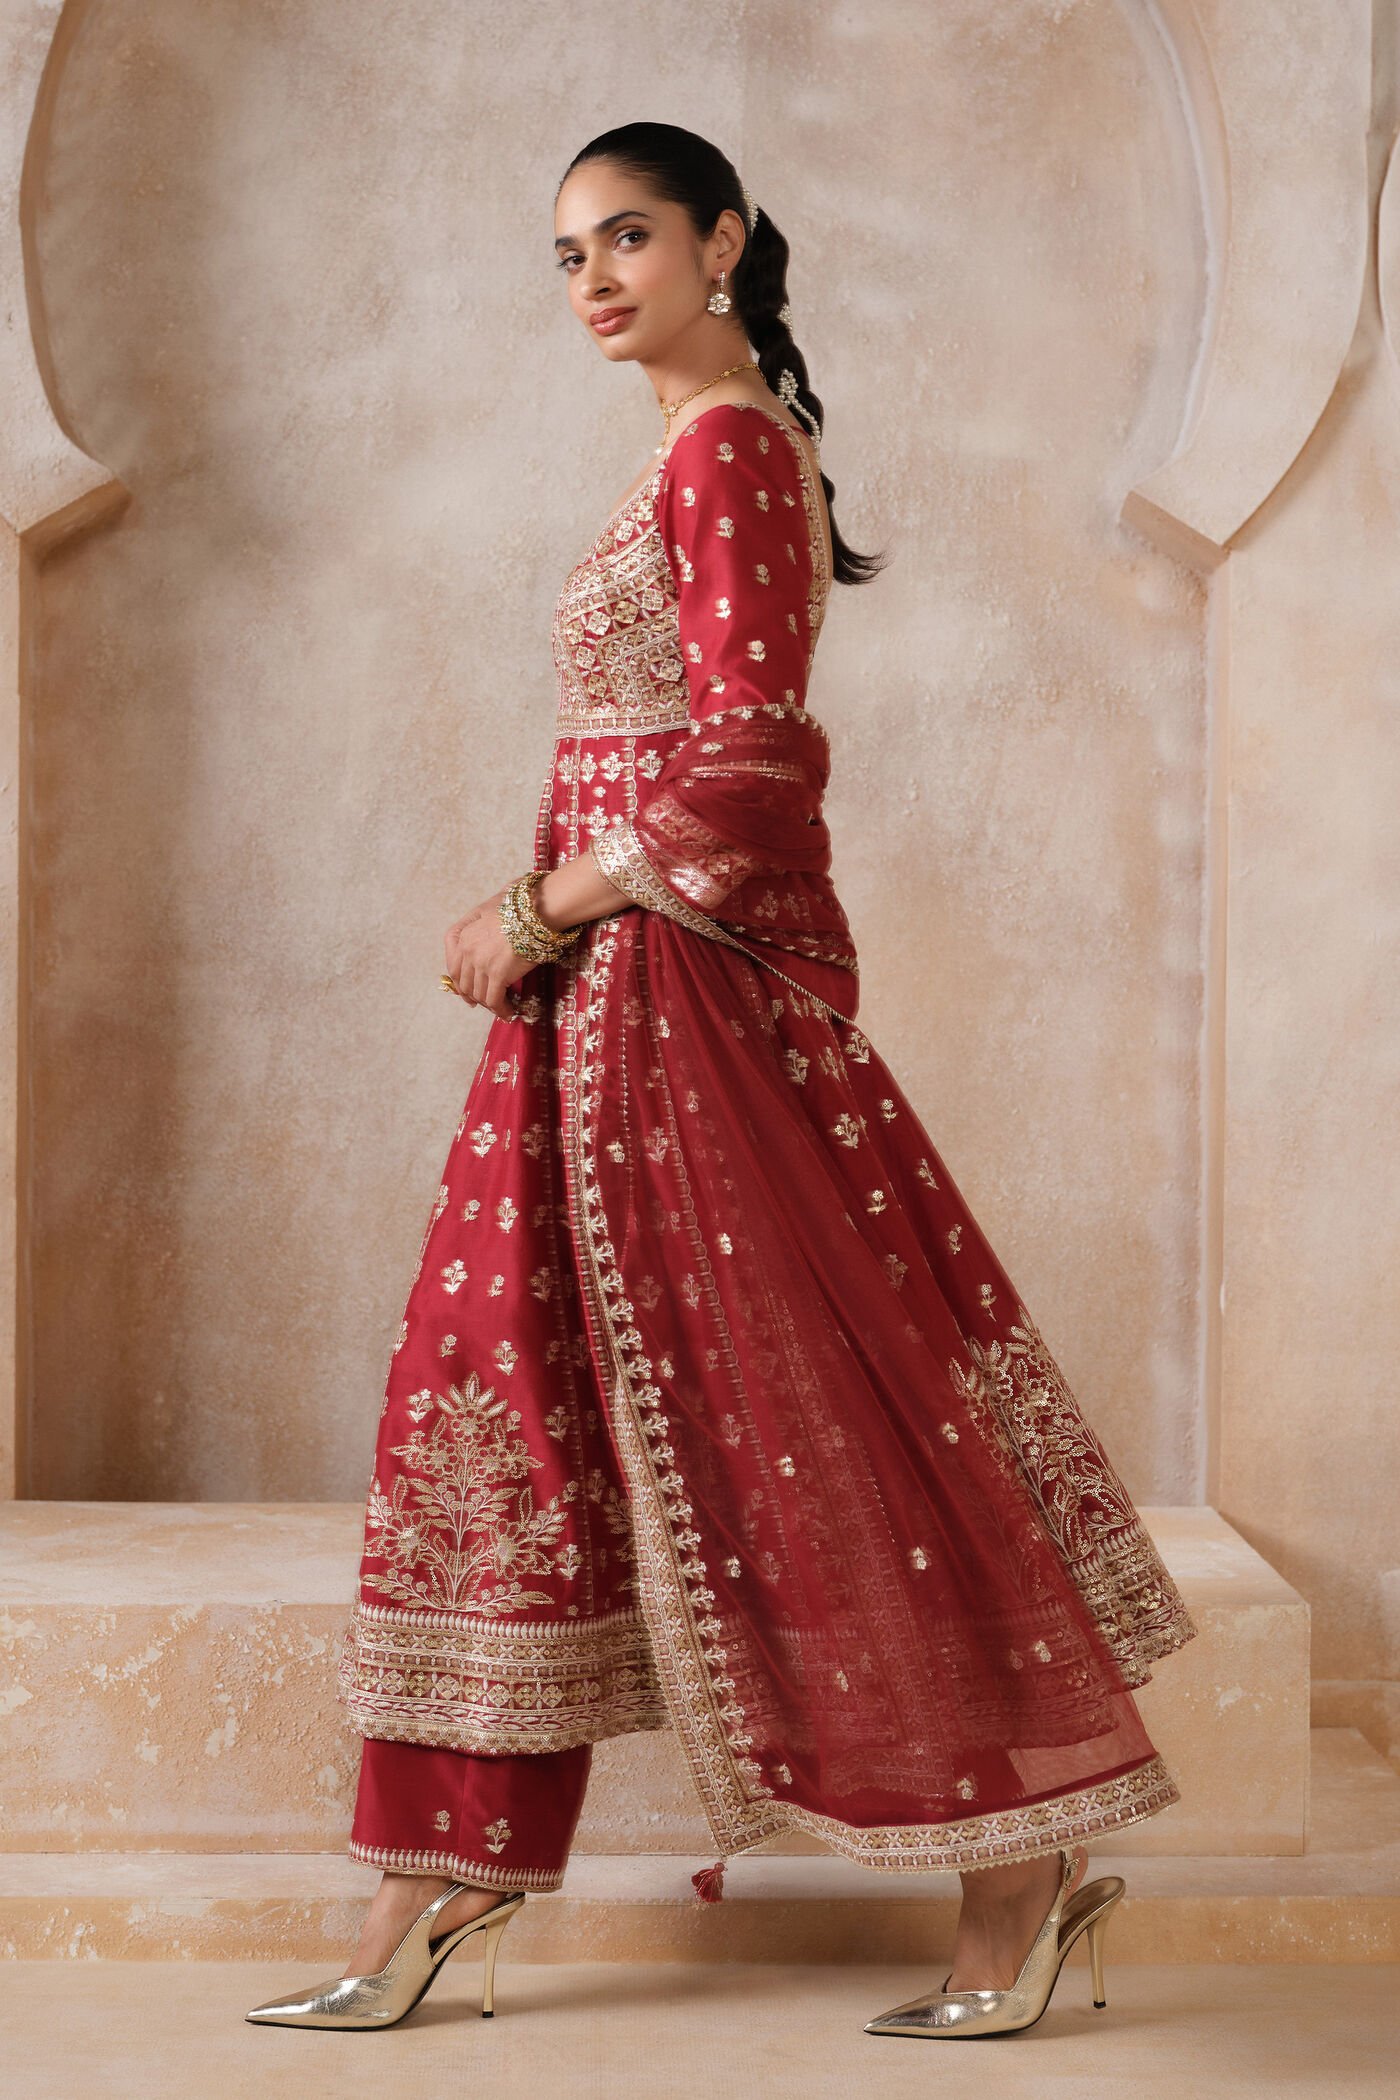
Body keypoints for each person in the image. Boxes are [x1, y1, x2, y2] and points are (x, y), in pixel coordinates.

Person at [247, 121, 1197, 2040]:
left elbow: (756, 757)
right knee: (500, 1399)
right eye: (568, 253)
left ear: (725, 242)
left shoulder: (734, 448)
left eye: (628, 238)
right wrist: (555, 933)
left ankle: (1019, 1869)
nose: (594, 280)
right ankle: (437, 1873)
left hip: (672, 997)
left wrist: (539, 904)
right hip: (598, 998)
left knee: (814, 1412)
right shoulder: (692, 448)